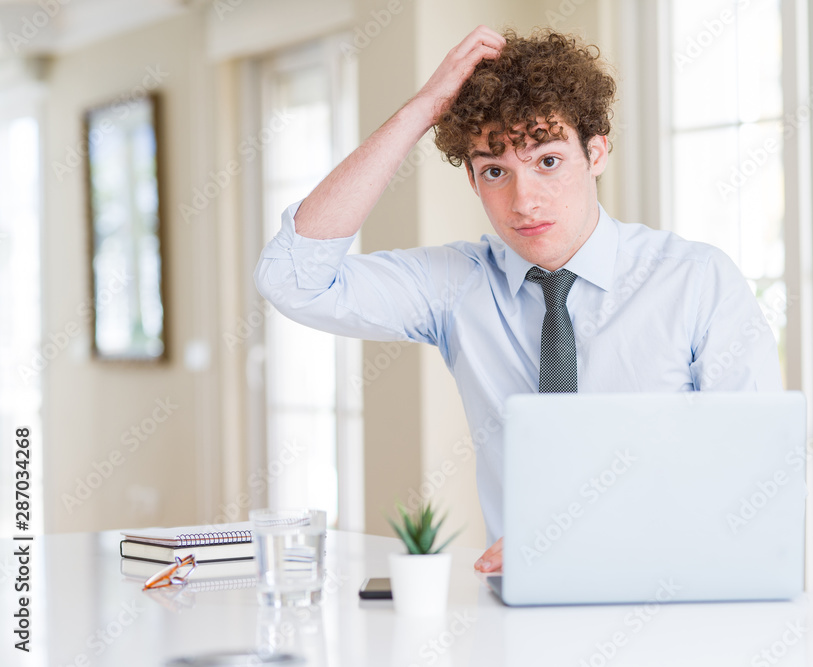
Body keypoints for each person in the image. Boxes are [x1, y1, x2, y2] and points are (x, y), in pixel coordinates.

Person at [254, 25, 782, 575]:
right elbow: (293, 279)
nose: (523, 200)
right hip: (518, 615)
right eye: (495, 171)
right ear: (472, 179)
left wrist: (595, 539)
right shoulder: (456, 284)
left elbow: (757, 475)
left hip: (676, 603)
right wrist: (423, 110)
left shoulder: (696, 282)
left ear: (596, 152)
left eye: (548, 161)